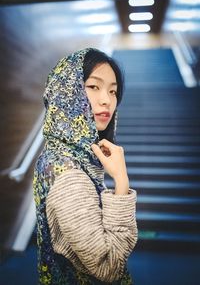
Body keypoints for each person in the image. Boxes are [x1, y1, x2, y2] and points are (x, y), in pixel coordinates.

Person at [33, 48, 138, 285]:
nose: (107, 100)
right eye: (93, 86)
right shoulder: (70, 174)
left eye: (113, 91)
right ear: (67, 93)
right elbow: (108, 268)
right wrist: (121, 181)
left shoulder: (58, 155)